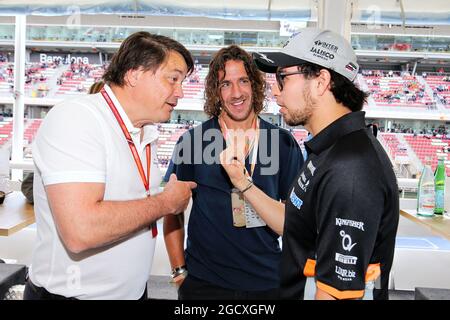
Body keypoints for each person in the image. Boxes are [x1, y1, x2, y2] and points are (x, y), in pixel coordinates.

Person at [222, 28, 399, 300]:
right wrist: (243, 182)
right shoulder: (329, 148)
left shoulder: (350, 167)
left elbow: (337, 293)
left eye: (282, 77)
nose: (273, 89)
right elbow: (294, 225)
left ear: (320, 81)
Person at [25, 31, 197, 300]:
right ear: (134, 74)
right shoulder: (77, 118)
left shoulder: (145, 131)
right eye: (173, 79)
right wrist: (166, 203)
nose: (180, 92)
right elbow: (81, 231)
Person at [163, 45, 303, 300]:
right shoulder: (192, 142)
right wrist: (179, 272)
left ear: (255, 86)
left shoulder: (283, 143)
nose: (236, 92)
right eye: (226, 84)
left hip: (267, 282)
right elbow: (173, 214)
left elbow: (292, 222)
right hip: (204, 283)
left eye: (243, 81)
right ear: (216, 92)